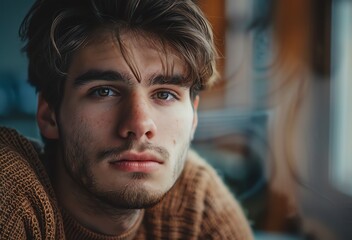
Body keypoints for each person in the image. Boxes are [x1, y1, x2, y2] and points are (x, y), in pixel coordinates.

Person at [0, 0, 253, 239]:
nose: (140, 125)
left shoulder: (198, 207)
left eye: (165, 94)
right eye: (104, 91)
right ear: (49, 115)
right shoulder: (9, 189)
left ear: (194, 117)